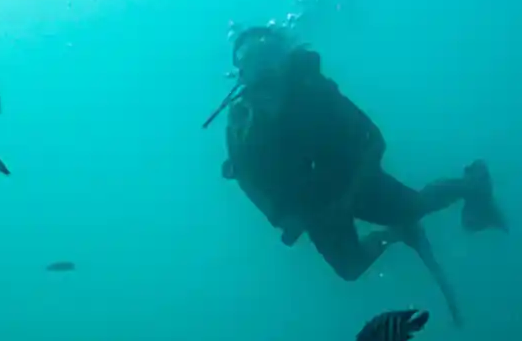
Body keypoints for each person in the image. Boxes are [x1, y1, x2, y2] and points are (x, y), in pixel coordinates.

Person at [215, 24, 506, 322]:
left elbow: (374, 140)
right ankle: (396, 233)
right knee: (350, 268)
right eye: (252, 62)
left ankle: (474, 182)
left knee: (416, 206)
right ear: (241, 74)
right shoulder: (242, 123)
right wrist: (281, 217)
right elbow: (246, 178)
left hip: (356, 178)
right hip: (315, 206)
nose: (264, 70)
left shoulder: (315, 93)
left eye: (270, 57)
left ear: (284, 61)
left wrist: (349, 197)